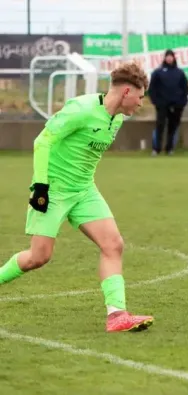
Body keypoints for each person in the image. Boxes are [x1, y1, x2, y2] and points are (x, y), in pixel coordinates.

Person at [0, 62, 154, 333]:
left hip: (84, 191)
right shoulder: (80, 109)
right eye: (140, 97)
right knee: (39, 257)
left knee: (113, 244)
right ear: (127, 91)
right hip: (53, 189)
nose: (141, 103)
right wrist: (40, 186)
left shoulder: (117, 117)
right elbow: (42, 141)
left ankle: (117, 314)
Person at [148, 49, 188, 156]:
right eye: (168, 56)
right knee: (160, 126)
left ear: (174, 58)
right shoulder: (158, 72)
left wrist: (182, 103)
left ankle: (169, 149)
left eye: (171, 56)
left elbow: (185, 89)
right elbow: (152, 89)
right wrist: (156, 102)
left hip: (176, 106)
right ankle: (156, 149)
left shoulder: (179, 73)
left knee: (173, 127)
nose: (169, 58)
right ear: (165, 58)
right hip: (162, 105)